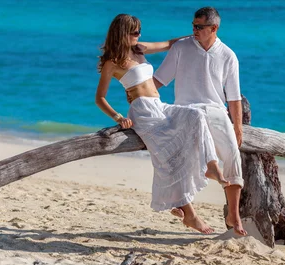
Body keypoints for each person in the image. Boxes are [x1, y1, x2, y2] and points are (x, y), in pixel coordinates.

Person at [95, 14, 227, 234]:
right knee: (167, 154)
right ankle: (190, 215)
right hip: (142, 111)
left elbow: (170, 44)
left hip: (159, 105)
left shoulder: (139, 49)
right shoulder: (113, 61)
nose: (139, 35)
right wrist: (118, 117)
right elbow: (100, 98)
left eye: (139, 31)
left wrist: (199, 33)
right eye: (134, 32)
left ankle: (210, 165)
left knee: (195, 116)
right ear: (122, 33)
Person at [153, 7, 247, 236]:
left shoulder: (227, 55)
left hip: (215, 111)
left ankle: (233, 214)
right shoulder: (181, 48)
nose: (194, 30)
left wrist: (238, 127)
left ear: (214, 28)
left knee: (233, 154)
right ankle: (186, 205)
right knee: (187, 155)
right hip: (186, 111)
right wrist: (138, 99)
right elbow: (157, 80)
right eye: (193, 25)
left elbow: (234, 98)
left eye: (199, 27)